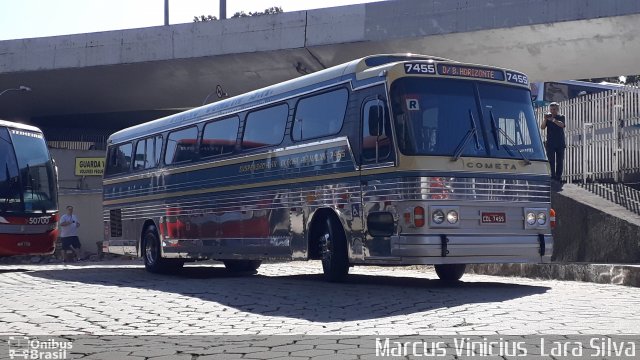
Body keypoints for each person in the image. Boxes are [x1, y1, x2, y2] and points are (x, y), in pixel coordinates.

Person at [540, 102, 566, 184]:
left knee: (560, 160)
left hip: (560, 142)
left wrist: (553, 120)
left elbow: (562, 125)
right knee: (551, 160)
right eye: (551, 109)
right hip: (550, 143)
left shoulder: (561, 117)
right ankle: (552, 176)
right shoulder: (548, 118)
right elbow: (542, 127)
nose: (552, 111)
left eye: (554, 109)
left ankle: (558, 177)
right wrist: (545, 119)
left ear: (557, 109)